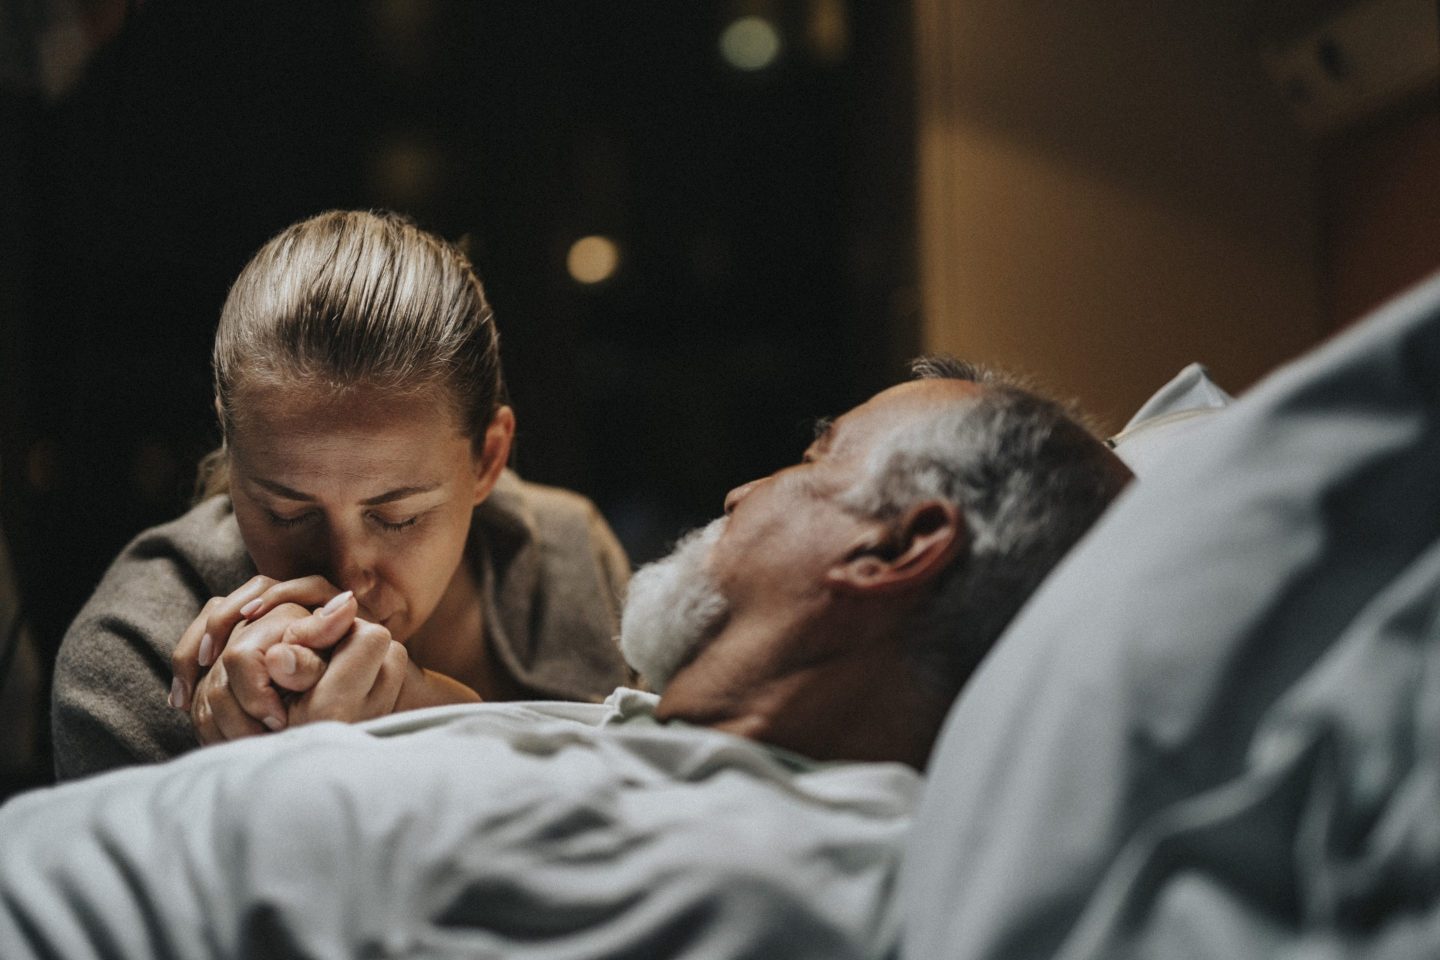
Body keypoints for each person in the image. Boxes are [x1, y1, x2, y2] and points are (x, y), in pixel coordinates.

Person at [1, 358, 1130, 960]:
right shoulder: (636, 746)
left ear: (897, 547)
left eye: (814, 457)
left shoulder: (771, 868)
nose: (743, 490)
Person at [50, 210, 633, 781]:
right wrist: (238, 781)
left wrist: (440, 722)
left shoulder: (568, 558)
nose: (347, 576)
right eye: (288, 513)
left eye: (398, 517)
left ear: (489, 458)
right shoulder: (134, 650)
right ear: (232, 448)